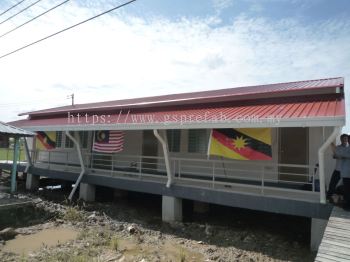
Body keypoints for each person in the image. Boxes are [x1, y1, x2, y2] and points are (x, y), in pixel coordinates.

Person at [327, 134, 348, 199]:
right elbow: (334, 156)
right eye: (343, 139)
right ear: (341, 139)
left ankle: (346, 200)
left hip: (346, 171)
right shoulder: (338, 147)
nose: (344, 140)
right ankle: (329, 197)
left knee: (347, 186)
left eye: (346, 138)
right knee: (332, 184)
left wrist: (342, 156)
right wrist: (337, 156)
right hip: (337, 170)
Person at [333, 135, 350, 210]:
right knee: (346, 189)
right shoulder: (344, 148)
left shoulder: (347, 148)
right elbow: (336, 154)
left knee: (347, 190)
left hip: (347, 173)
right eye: (346, 139)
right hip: (344, 173)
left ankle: (347, 206)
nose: (346, 140)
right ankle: (346, 205)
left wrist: (340, 155)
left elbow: (341, 154)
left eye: (347, 139)